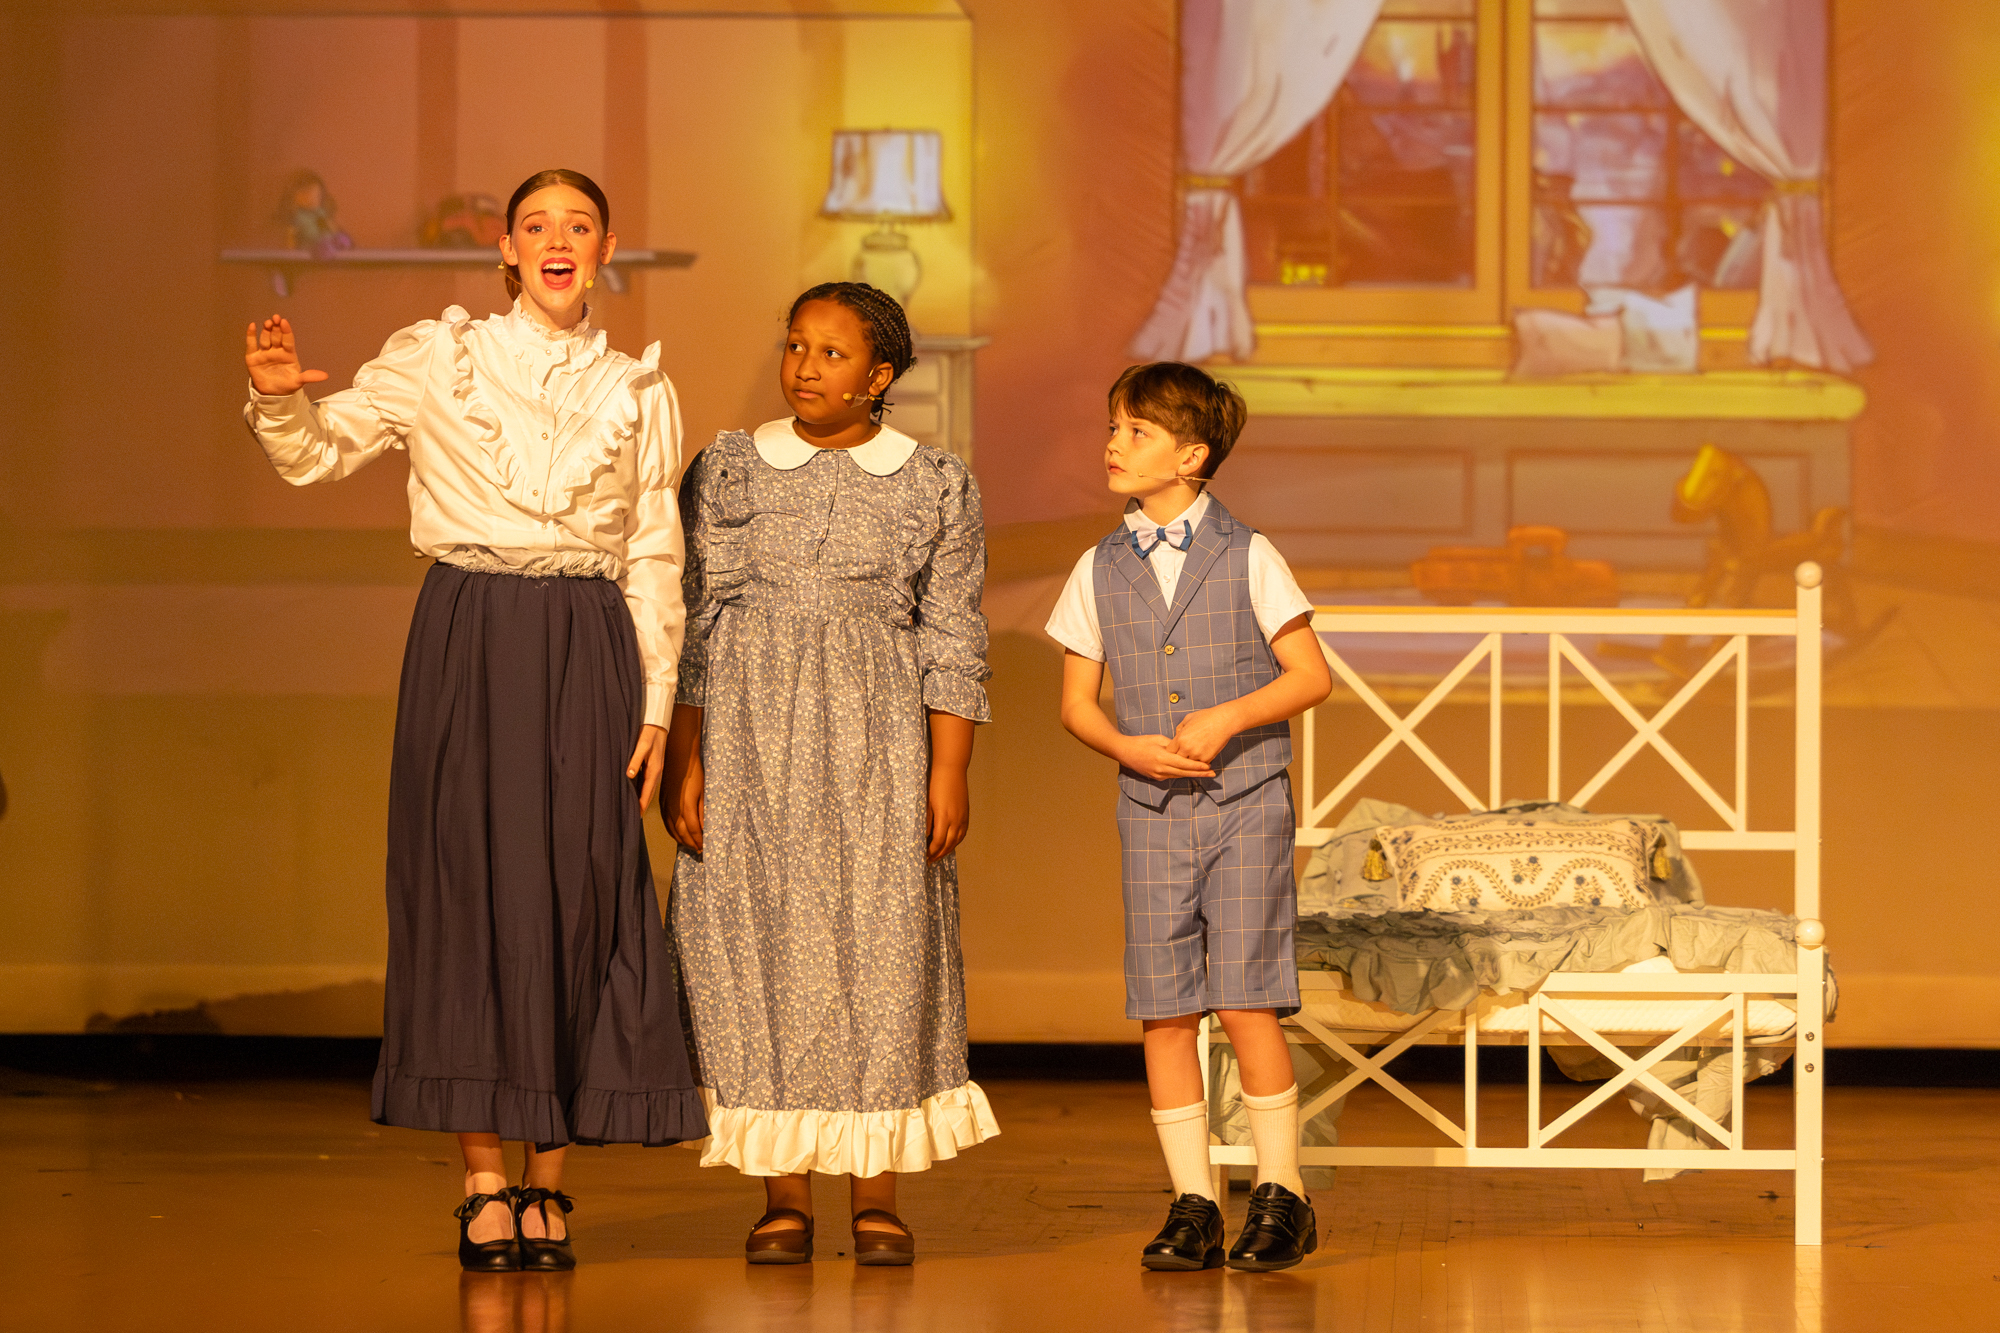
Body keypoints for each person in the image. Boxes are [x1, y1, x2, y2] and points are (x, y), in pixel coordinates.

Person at [242, 168, 704, 1273]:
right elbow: (319, 452)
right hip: (469, 629)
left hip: (588, 640)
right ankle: (484, 1184)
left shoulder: (638, 388)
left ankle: (551, 1179)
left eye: (578, 225)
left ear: (604, 251)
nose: (557, 239)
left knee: (581, 895)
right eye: (536, 224)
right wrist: (278, 400)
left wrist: (654, 699)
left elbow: (654, 550)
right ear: (507, 248)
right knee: (465, 892)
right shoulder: (436, 356)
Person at [663, 281, 996, 1267]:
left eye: (832, 353)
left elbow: (952, 634)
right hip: (750, 738)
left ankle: (876, 1193)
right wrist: (686, 756)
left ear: (880, 375)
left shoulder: (933, 482)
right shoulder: (728, 469)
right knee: (758, 947)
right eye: (795, 345)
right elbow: (695, 621)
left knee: (879, 950)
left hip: (875, 742)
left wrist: (949, 766)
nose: (805, 367)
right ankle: (783, 1194)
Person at [1047, 362, 1333, 1272]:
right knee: (1166, 1010)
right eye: (1113, 426)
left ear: (1192, 456)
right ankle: (1193, 1201)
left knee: (1246, 998)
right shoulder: (1099, 566)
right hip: (1153, 812)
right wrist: (1126, 746)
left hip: (1245, 805)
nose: (1114, 443)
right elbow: (1077, 703)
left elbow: (1310, 674)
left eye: (1136, 430)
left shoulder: (1249, 553)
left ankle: (1282, 1192)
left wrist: (1228, 716)